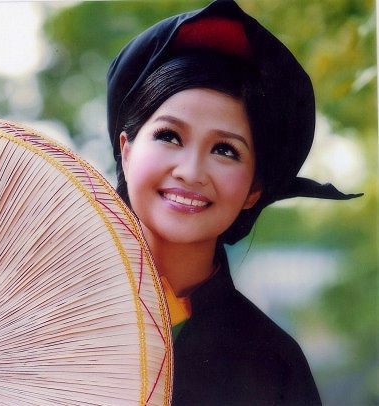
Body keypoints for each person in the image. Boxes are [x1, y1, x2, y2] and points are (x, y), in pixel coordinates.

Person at [106, 1, 362, 404]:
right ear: (126, 150)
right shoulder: (39, 310)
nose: (191, 172)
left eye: (226, 150)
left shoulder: (275, 365)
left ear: (254, 190)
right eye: (170, 136)